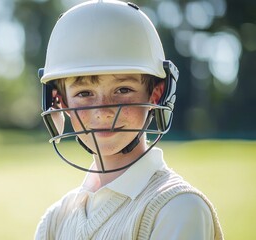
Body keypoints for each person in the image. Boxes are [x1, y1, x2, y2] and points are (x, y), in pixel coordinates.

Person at [35, 0, 223, 239]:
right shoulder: (55, 219)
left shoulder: (177, 208)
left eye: (123, 89)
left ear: (156, 93)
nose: (103, 111)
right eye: (84, 94)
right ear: (60, 102)